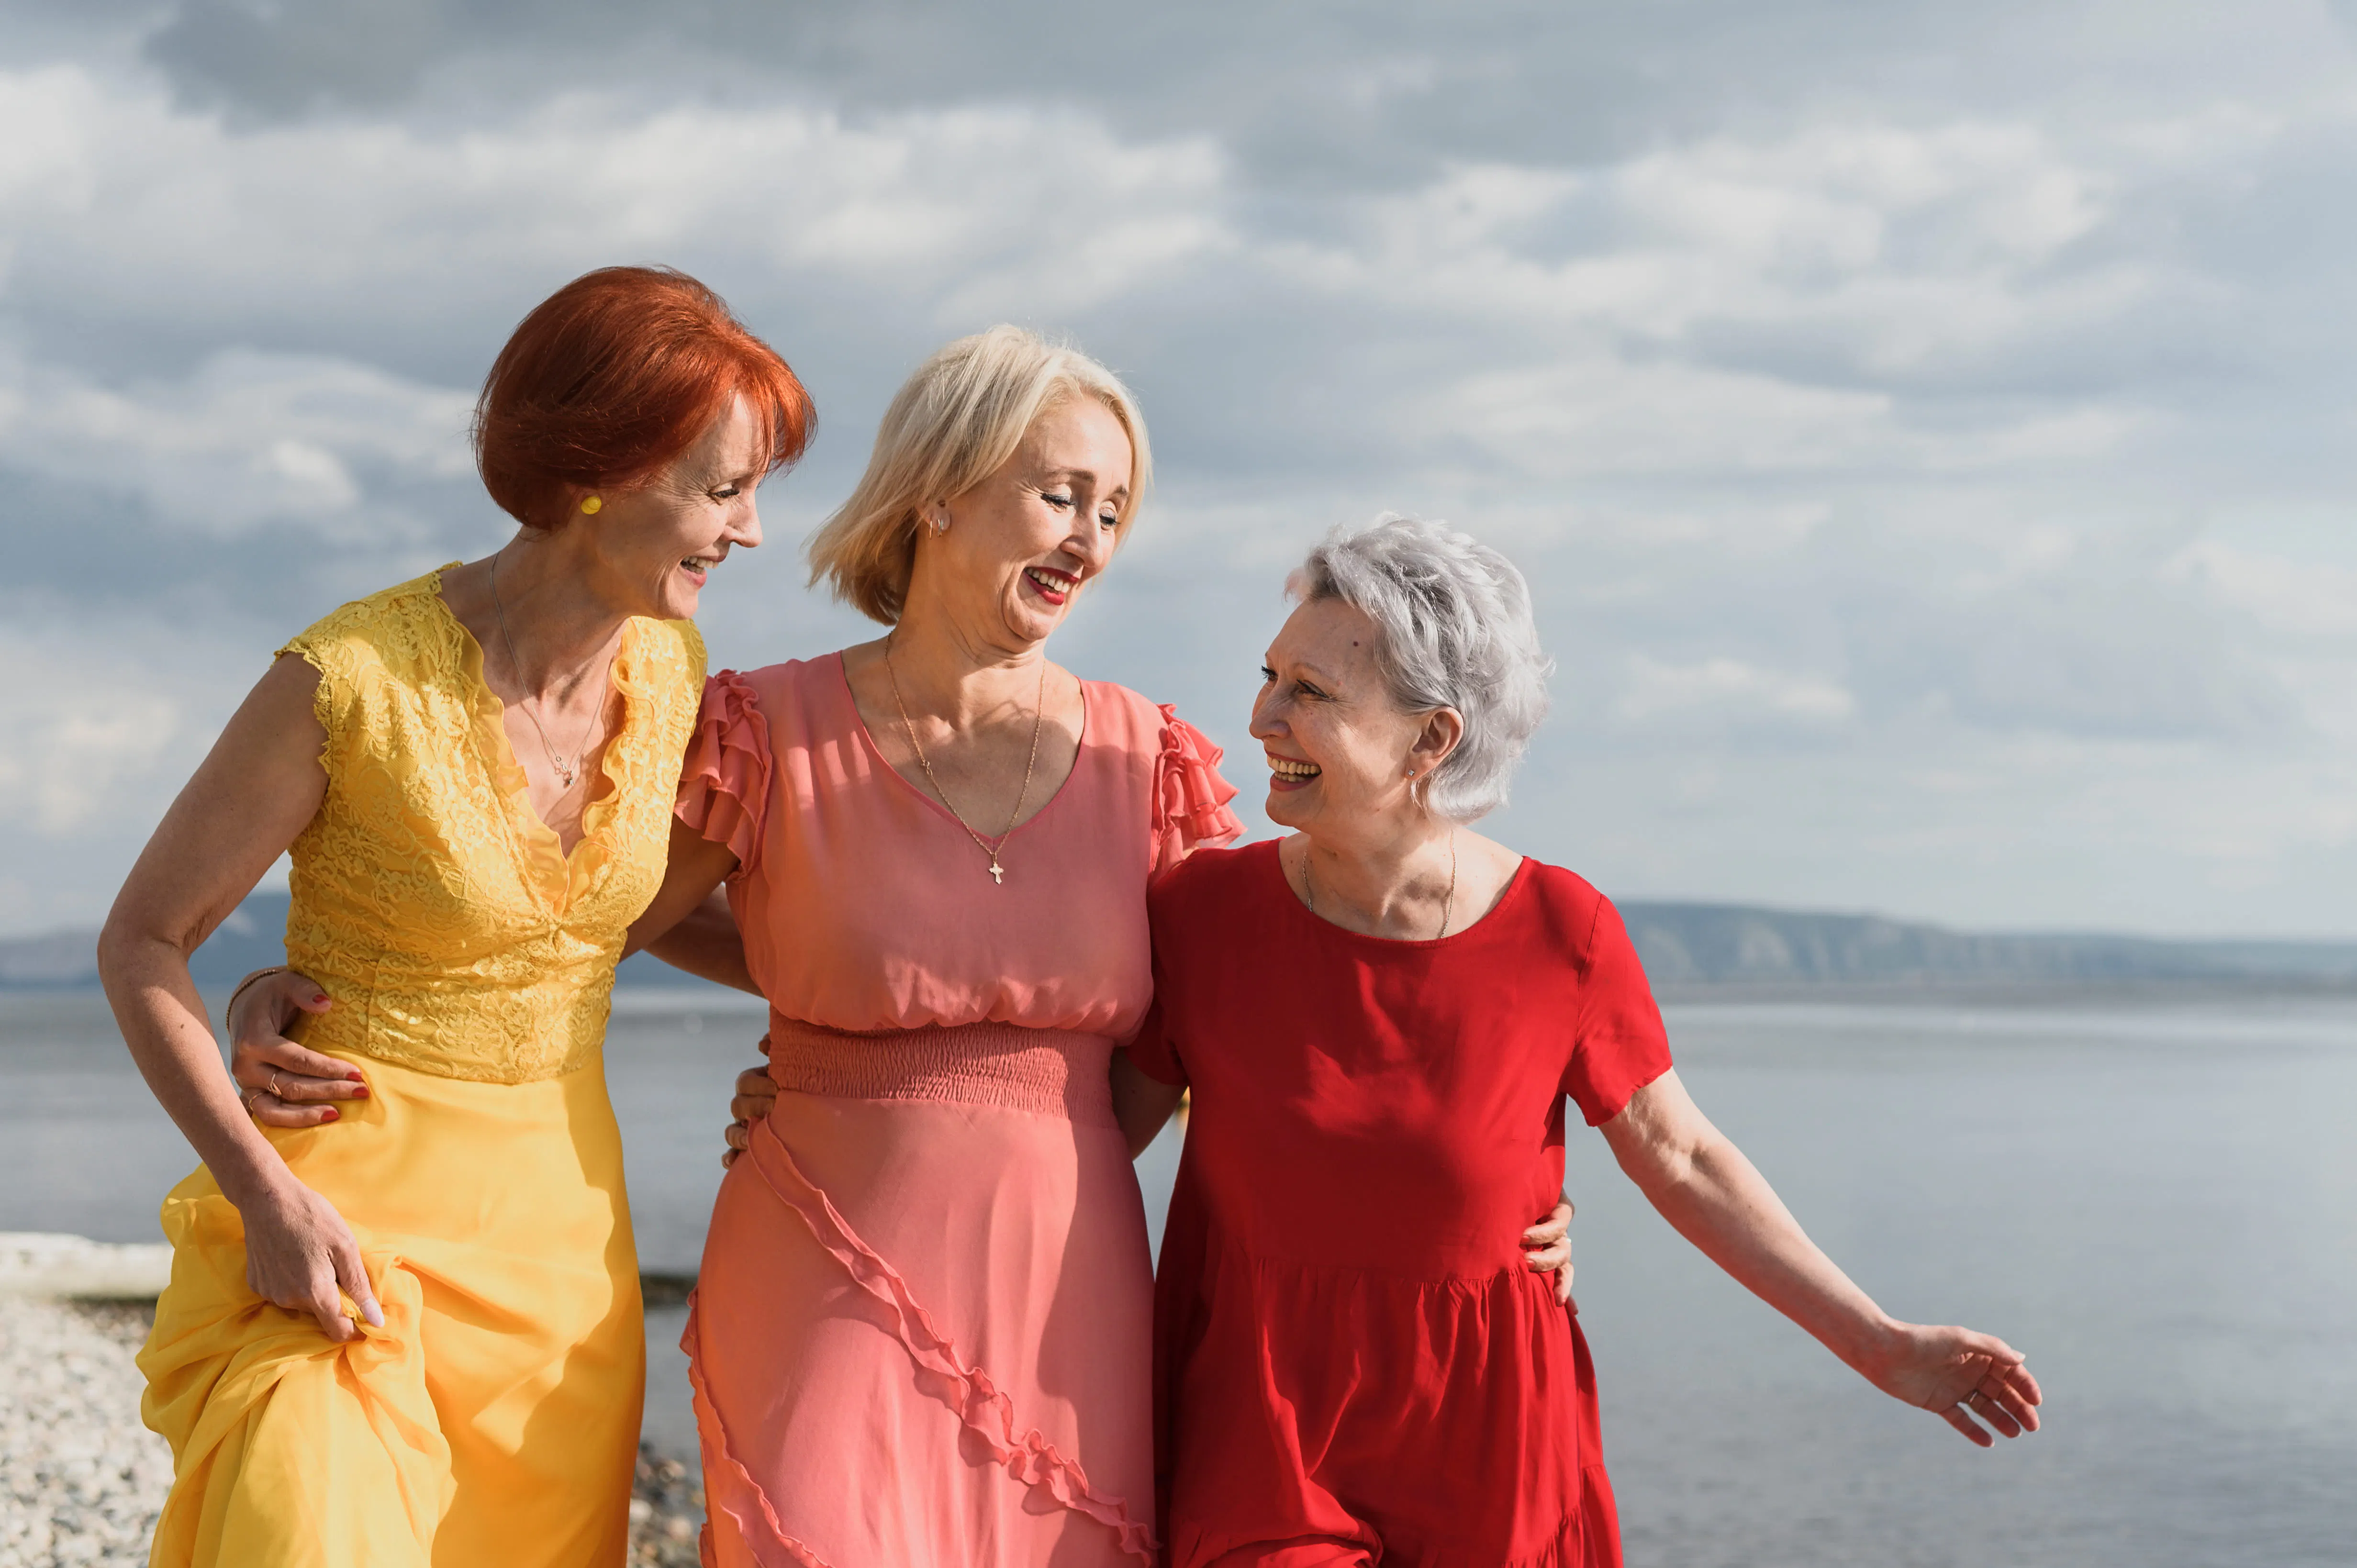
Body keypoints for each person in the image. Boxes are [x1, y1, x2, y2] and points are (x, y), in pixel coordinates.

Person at [624, 329, 1578, 1568]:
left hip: (1068, 1285)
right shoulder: (770, 725)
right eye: (1061, 492)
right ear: (940, 490)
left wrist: (1507, 1185)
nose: (1091, 534)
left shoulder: (1146, 760)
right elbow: (602, 925)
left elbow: (1271, 1004)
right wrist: (830, 998)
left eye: (1114, 508)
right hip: (821, 1245)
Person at [1117, 516, 2045, 1568]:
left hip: (1492, 1457)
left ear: (1433, 740)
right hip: (1262, 1448)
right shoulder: (1200, 916)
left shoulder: (1562, 932)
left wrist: (1876, 1345)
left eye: (1311, 694)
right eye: (1270, 676)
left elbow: (1682, 1156)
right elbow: (1082, 1155)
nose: (1260, 717)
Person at [97, 266, 813, 1568]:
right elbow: (142, 938)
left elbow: (594, 928)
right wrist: (262, 1197)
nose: (751, 530)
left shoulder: (676, 673)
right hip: (340, 1237)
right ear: (599, 464)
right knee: (299, 1519)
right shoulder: (348, 679)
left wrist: (886, 1041)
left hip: (558, 1261)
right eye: (723, 488)